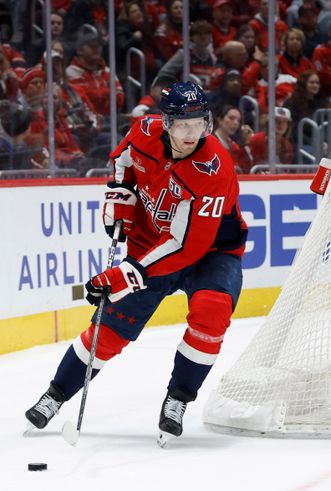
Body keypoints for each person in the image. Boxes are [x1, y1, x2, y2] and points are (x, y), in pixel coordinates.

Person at [24, 82, 248, 443]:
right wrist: (119, 196)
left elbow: (186, 245)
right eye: (183, 125)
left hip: (210, 253)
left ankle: (178, 398)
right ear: (166, 123)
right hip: (149, 245)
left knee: (213, 309)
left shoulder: (215, 168)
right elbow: (122, 161)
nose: (192, 134)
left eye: (199, 124)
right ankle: (55, 394)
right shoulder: (144, 131)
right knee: (108, 332)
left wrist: (126, 274)